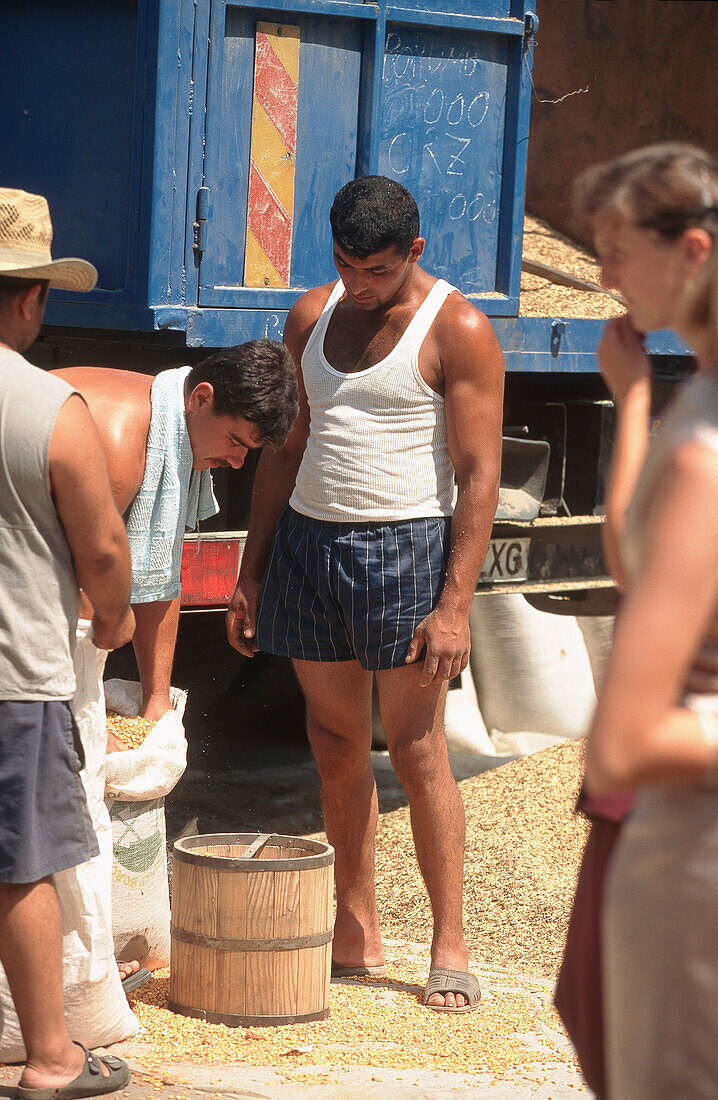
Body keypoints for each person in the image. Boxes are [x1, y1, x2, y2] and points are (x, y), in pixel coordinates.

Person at [226, 176, 504, 1012]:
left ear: (414, 253)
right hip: (311, 543)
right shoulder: (311, 314)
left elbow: (480, 475)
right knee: (334, 740)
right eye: (345, 263)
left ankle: (448, 942)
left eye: (376, 269)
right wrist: (253, 567)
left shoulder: (457, 327)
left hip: (408, 547)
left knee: (416, 751)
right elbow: (283, 447)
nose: (358, 283)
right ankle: (355, 925)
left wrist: (454, 604)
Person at [553, 144, 718, 1097]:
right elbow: (622, 745)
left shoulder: (698, 409)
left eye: (616, 250)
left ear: (691, 251)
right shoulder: (700, 434)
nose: (603, 275)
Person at [0, 188, 134, 1096]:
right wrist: (115, 620)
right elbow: (105, 549)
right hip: (15, 674)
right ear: (30, 297)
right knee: (22, 865)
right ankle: (51, 1056)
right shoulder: (52, 409)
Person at [54, 340, 298, 725]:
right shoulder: (120, 444)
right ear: (201, 399)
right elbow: (71, 586)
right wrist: (85, 718)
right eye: (235, 441)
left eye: (247, 451)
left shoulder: (173, 427)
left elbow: (158, 572)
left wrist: (156, 698)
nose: (236, 463)